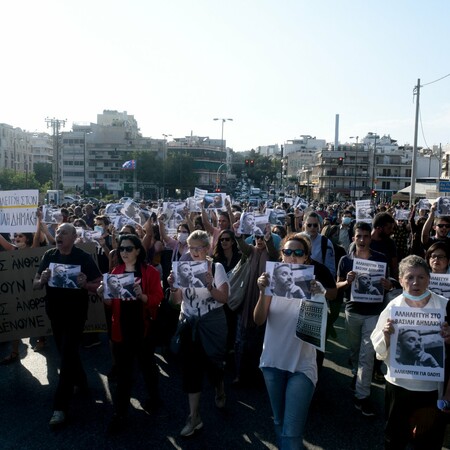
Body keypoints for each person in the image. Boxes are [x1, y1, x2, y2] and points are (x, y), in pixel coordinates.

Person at [370, 255, 449, 449]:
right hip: (398, 387)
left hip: (431, 390)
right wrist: (387, 336)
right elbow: (378, 348)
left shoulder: (445, 306)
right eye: (410, 277)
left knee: (428, 441)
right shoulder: (393, 306)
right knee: (395, 438)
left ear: (429, 279)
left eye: (421, 277)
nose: (416, 282)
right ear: (401, 279)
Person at [254, 237, 324, 449]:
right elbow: (258, 320)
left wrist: (314, 297)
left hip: (301, 365)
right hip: (273, 362)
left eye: (298, 253)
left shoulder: (315, 286)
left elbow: (314, 330)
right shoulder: (270, 282)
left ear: (306, 258)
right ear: (281, 255)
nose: (292, 257)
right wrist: (262, 291)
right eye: (288, 252)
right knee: (279, 422)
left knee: (292, 433)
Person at [33, 223, 102, 427]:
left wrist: (85, 284)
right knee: (67, 352)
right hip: (55, 313)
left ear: (73, 237)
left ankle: (59, 407)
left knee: (67, 354)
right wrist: (42, 279)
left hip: (76, 314)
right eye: (58, 232)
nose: (59, 235)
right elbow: (35, 282)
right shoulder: (49, 256)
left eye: (64, 232)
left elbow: (99, 283)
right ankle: (81, 383)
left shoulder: (82, 257)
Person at [97, 233, 163, 433]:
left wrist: (141, 295)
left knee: (147, 366)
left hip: (143, 328)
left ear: (137, 251)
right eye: (120, 249)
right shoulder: (115, 272)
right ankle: (119, 413)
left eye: (127, 248)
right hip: (122, 329)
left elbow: (157, 298)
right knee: (124, 373)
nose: (123, 252)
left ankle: (154, 397)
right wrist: (102, 294)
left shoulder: (149, 272)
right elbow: (110, 304)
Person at [167, 230, 229, 437]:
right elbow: (175, 301)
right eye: (190, 247)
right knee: (191, 369)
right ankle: (194, 417)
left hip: (212, 322)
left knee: (214, 364)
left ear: (207, 248)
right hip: (189, 321)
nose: (194, 252)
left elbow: (223, 299)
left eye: (198, 248)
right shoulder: (182, 268)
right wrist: (173, 286)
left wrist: (210, 284)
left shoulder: (216, 267)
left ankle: (219, 386)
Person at [336, 221, 392, 417]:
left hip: (374, 313)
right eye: (358, 236)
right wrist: (346, 281)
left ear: (371, 237)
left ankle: (362, 396)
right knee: (355, 349)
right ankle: (355, 374)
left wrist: (387, 285)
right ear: (353, 238)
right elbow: (337, 286)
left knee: (367, 355)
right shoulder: (345, 260)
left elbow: (389, 284)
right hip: (353, 310)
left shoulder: (380, 259)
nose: (362, 239)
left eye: (365, 236)